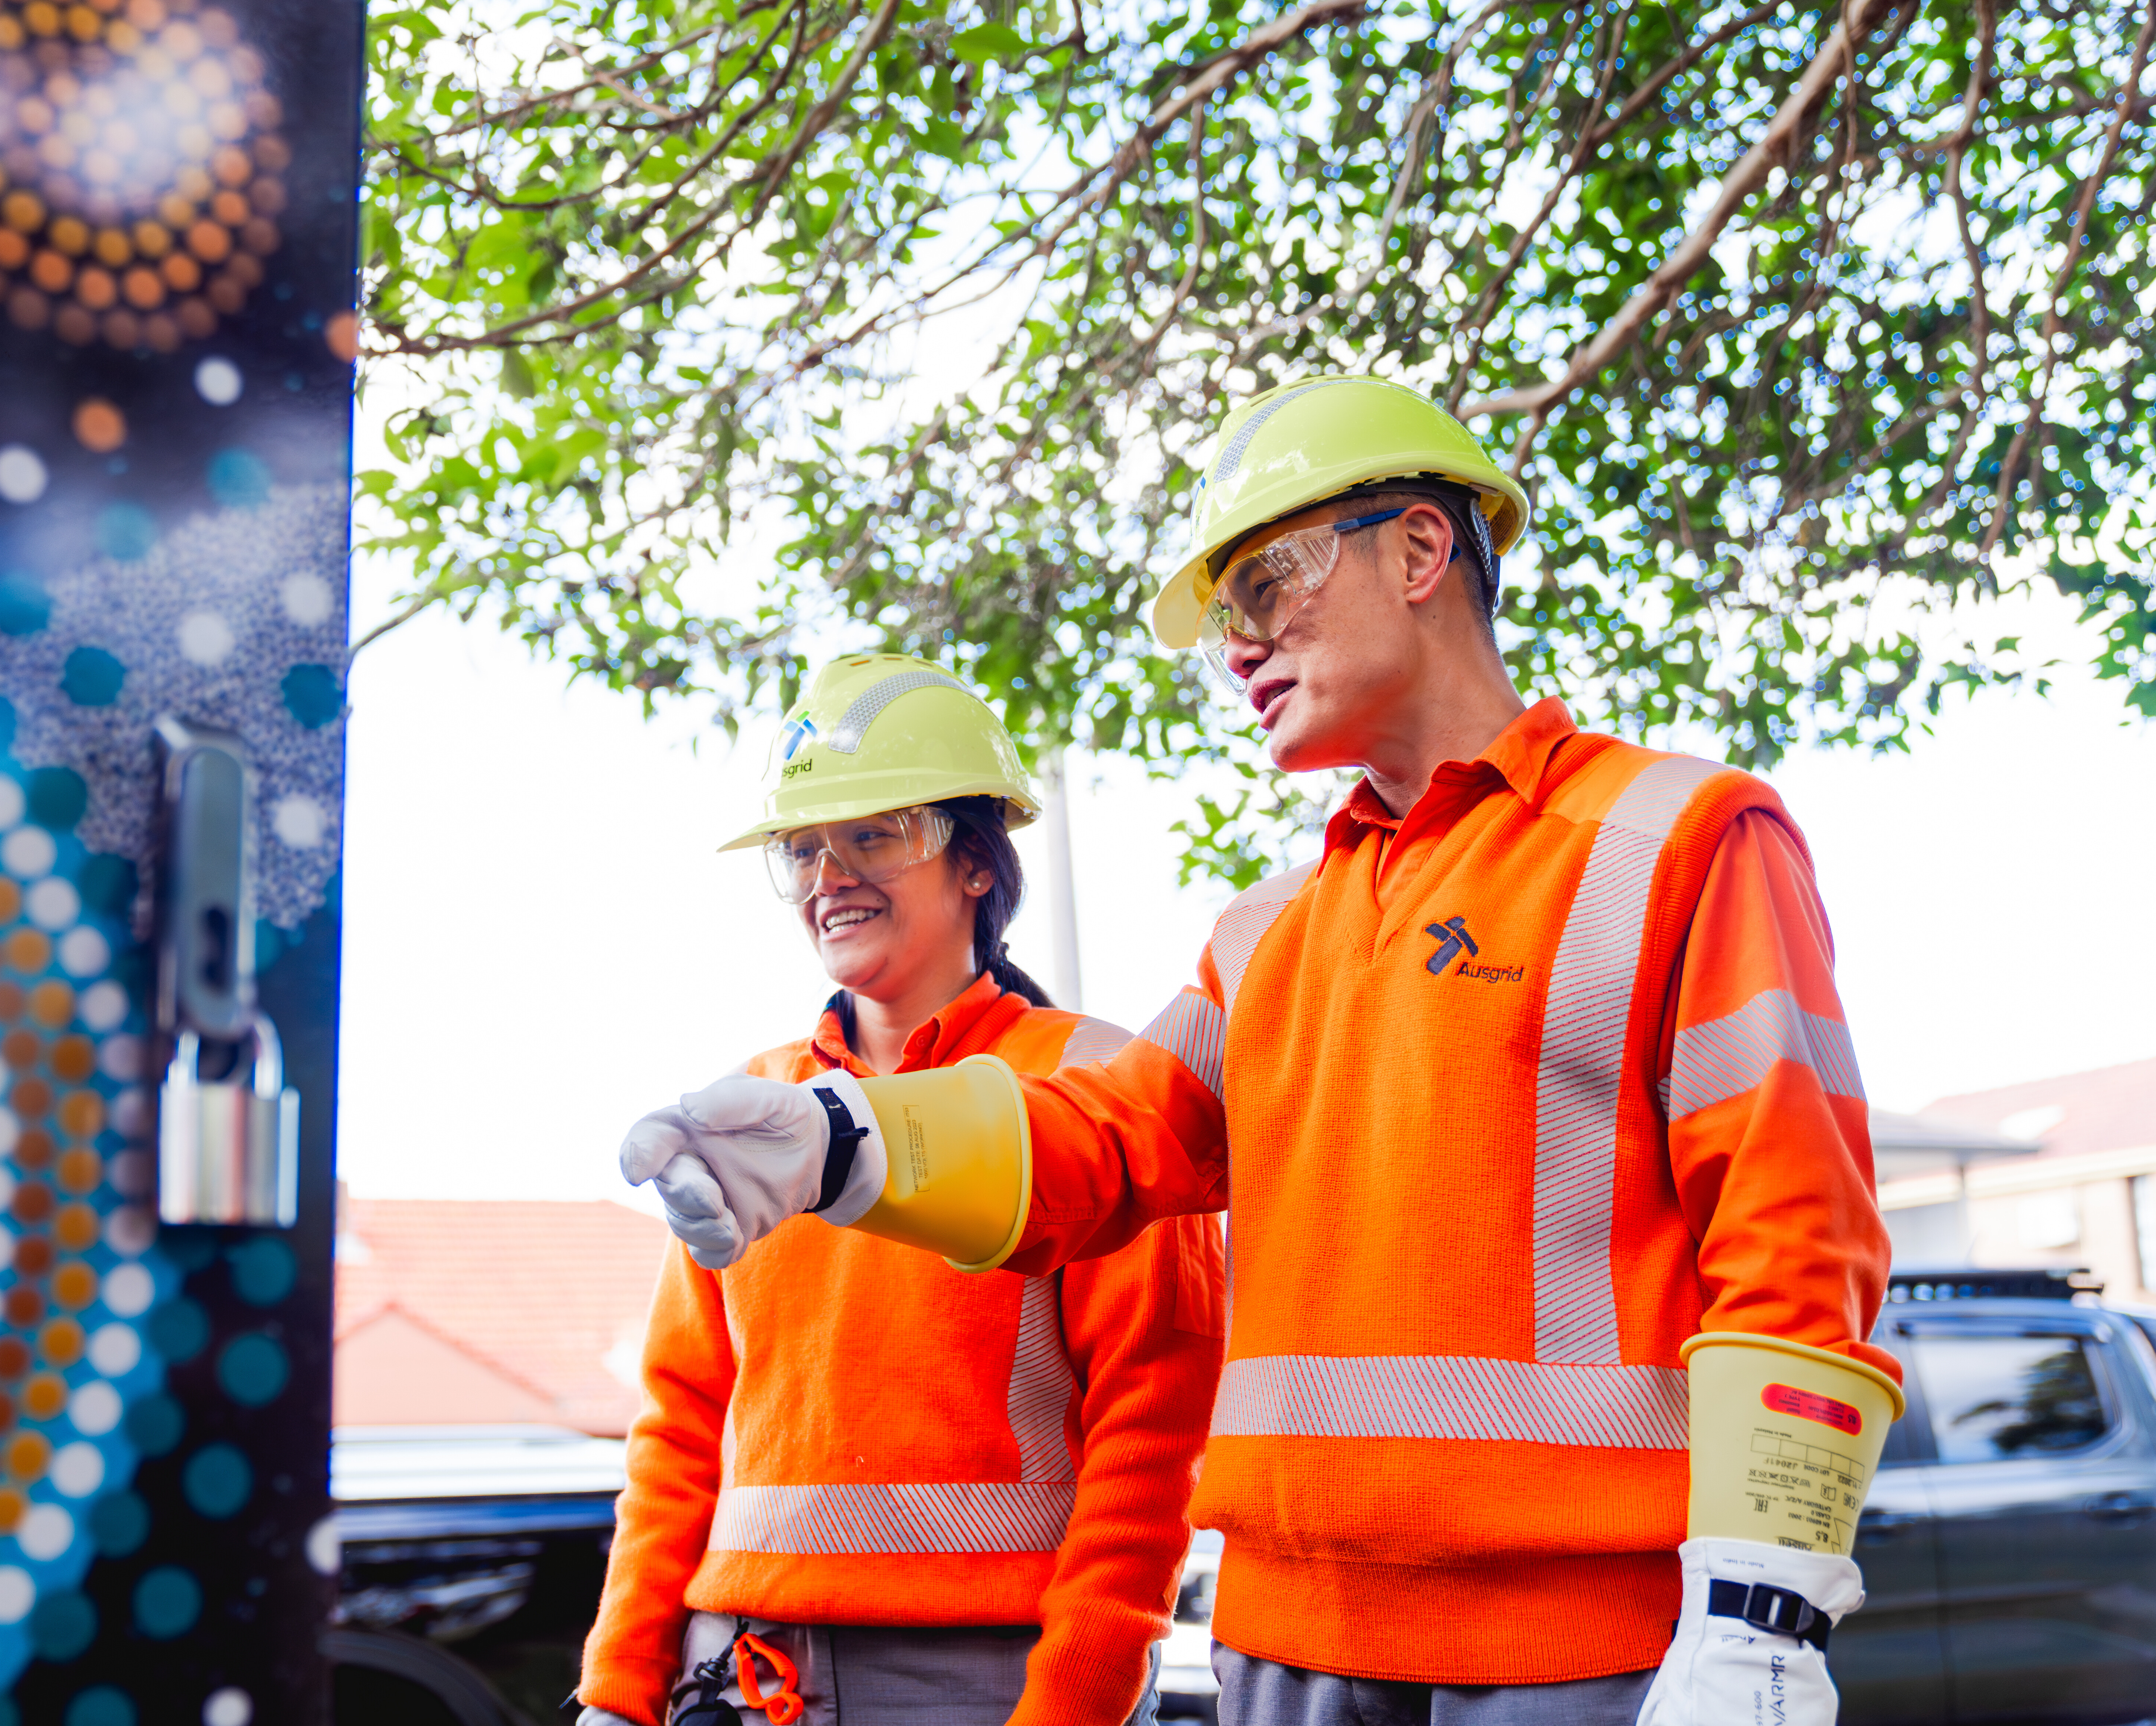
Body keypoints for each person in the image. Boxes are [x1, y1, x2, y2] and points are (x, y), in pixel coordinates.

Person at [623, 379, 1899, 1726]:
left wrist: (1767, 1609)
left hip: (1580, 1653)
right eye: (1227, 612)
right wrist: (846, 1144)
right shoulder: (1268, 930)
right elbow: (1100, 1144)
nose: (1239, 642)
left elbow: (1793, 1237)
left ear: (1419, 551)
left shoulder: (1680, 839)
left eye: (1266, 583)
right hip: (1282, 1650)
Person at [581, 654, 1224, 1726]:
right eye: (803, 851)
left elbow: (1151, 1436)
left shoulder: (1094, 1093)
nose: (831, 875)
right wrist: (617, 1688)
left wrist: (1078, 1703)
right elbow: (683, 1422)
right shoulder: (754, 1104)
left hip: (980, 1676)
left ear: (977, 863)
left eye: (873, 836)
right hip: (737, 1668)